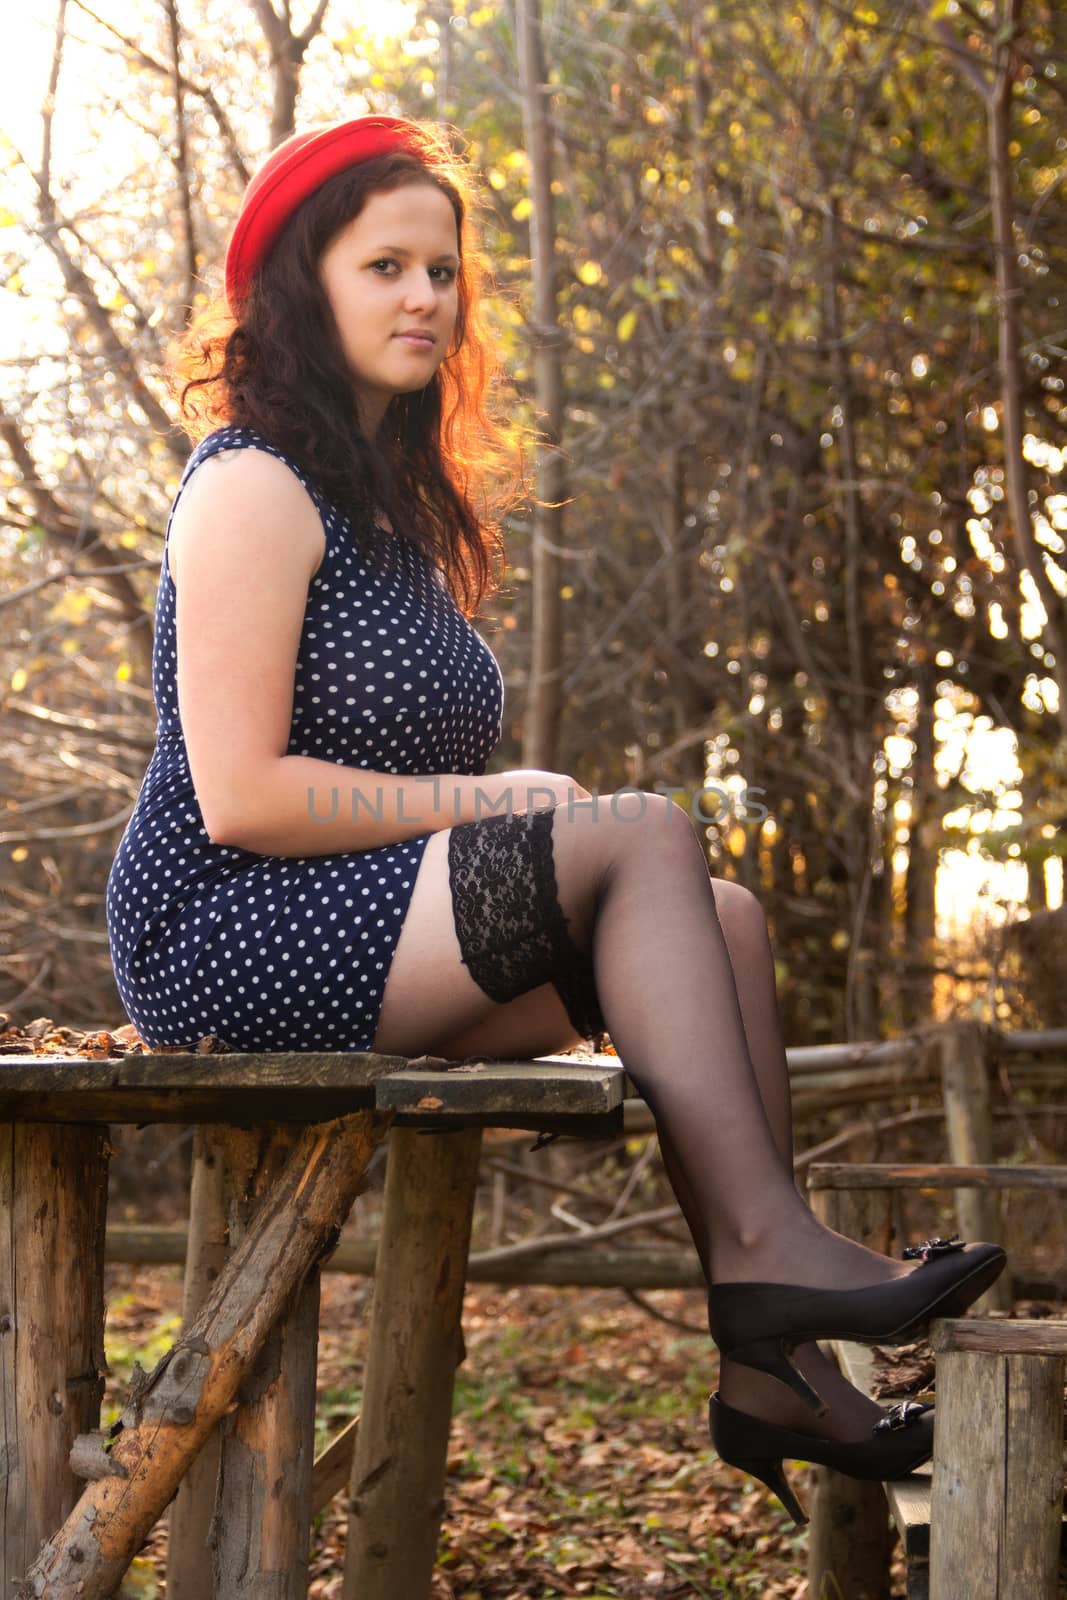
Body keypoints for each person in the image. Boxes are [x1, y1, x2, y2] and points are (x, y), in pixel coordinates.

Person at [104, 114, 1006, 1528]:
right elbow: (243, 796)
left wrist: (492, 812)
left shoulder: (394, 518)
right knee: (640, 831)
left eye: (443, 270)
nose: (426, 297)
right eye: (385, 265)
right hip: (226, 930)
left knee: (722, 913)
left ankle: (772, 1368)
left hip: (356, 929)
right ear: (303, 284)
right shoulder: (249, 488)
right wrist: (497, 800)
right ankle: (770, 1255)